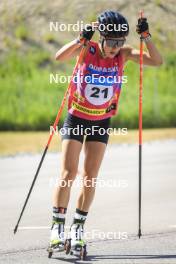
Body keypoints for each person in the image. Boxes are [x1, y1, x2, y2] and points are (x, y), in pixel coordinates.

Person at [49, 10, 163, 254]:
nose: (114, 47)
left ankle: (78, 229)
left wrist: (146, 36)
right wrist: (80, 39)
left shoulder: (124, 54)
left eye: (119, 42)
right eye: (110, 41)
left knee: (90, 176)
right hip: (77, 118)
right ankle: (57, 227)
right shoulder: (87, 49)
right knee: (69, 172)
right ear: (101, 38)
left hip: (101, 122)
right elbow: (59, 57)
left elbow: (157, 61)